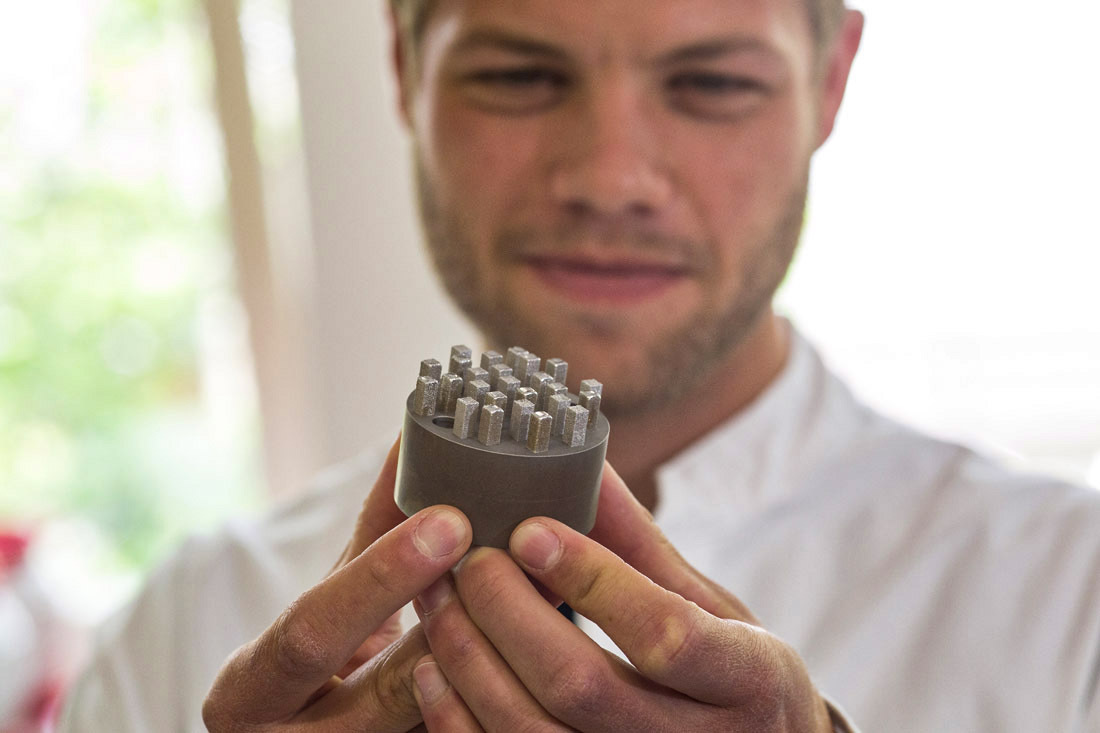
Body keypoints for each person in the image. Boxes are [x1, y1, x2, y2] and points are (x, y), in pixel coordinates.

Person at [60, 0, 1100, 730]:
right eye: (518, 74)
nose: (608, 176)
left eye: (710, 82)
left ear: (829, 82)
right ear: (402, 66)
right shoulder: (179, 630)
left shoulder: (1067, 604)